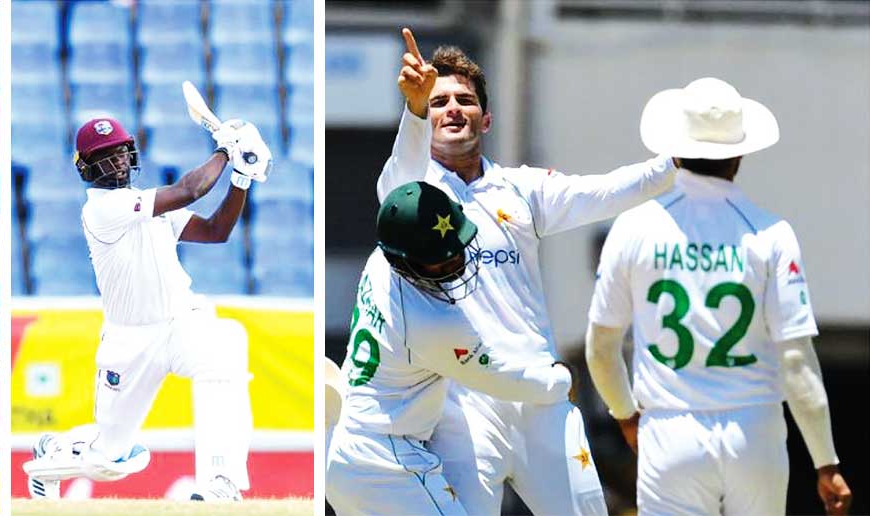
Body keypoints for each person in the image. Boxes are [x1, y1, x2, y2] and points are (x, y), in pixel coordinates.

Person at [384, 28, 680, 514]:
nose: (452, 108)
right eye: (438, 103)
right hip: (463, 406)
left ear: (486, 118)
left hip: (541, 400)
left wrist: (677, 161)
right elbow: (397, 185)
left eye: (465, 99)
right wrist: (413, 112)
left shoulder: (520, 189)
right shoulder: (412, 192)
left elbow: (603, 192)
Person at [586, 77, 853, 515]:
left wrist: (625, 415)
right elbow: (796, 363)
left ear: (675, 150)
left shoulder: (634, 228)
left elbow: (601, 349)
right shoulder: (770, 232)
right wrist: (827, 463)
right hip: (755, 431)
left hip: (670, 430)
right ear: (740, 152)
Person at [22, 116, 272, 502]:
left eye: (122, 151)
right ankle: (54, 452)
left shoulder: (150, 204)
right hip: (129, 340)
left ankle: (220, 483)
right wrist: (226, 149)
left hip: (181, 320)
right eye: (106, 155)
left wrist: (241, 176)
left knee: (224, 350)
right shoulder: (102, 209)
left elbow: (215, 231)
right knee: (111, 459)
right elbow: (190, 189)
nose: (119, 161)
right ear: (87, 166)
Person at [326, 181, 577, 515]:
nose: (456, 263)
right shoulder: (434, 322)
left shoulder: (378, 263)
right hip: (388, 463)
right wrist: (561, 381)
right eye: (439, 263)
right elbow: (504, 381)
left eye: (457, 249)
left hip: (343, 452)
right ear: (404, 263)